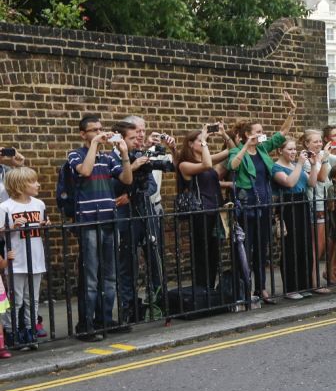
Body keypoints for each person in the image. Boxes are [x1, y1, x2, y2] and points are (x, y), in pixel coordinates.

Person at [67, 114, 133, 341]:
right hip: (88, 221)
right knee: (91, 277)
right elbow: (84, 172)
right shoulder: (75, 154)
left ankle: (104, 319)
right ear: (83, 134)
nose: (99, 133)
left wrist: (124, 154)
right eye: (93, 130)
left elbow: (127, 180)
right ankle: (86, 325)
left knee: (110, 275)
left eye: (100, 129)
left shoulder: (108, 158)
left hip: (109, 220)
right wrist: (94, 144)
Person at [227, 93, 297, 304]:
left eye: (261, 132)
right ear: (248, 134)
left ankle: (262, 288)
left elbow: (282, 133)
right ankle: (245, 289)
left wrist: (291, 110)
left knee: (261, 248)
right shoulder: (237, 151)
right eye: (257, 132)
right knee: (245, 249)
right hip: (246, 206)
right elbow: (233, 166)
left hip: (264, 204)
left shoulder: (263, 149)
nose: (261, 134)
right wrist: (245, 146)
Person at [113, 120, 176, 323]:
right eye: (132, 137)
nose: (137, 140)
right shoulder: (109, 158)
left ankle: (158, 303)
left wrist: (132, 196)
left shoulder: (142, 155)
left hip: (144, 212)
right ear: (120, 139)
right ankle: (128, 309)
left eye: (139, 135)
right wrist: (131, 166)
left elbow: (151, 186)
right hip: (124, 217)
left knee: (154, 259)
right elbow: (112, 184)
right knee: (127, 265)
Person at [177, 126, 233, 292]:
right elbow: (207, 164)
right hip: (200, 212)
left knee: (213, 253)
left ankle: (209, 288)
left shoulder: (205, 158)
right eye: (199, 141)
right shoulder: (184, 165)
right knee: (202, 253)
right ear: (190, 144)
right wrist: (204, 141)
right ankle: (202, 289)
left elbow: (232, 151)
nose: (202, 143)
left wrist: (223, 134)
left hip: (215, 210)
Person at [0, 167, 48, 349]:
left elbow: (40, 229)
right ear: (20, 186)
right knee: (15, 300)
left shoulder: (39, 204)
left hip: (36, 258)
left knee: (32, 299)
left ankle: (30, 332)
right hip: (16, 260)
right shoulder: (5, 207)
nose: (38, 184)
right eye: (33, 181)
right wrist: (11, 226)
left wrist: (45, 225)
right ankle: (10, 332)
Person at [273, 139, 317, 298]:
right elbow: (289, 183)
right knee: (291, 246)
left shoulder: (295, 166)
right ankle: (290, 288)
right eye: (290, 149)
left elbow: (312, 183)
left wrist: (313, 165)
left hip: (302, 203)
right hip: (288, 206)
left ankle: (304, 285)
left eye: (294, 149)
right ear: (280, 151)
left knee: (304, 244)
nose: (293, 152)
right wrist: (299, 164)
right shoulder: (276, 167)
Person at [300, 129, 333, 294]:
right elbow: (320, 178)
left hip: (323, 202)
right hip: (315, 204)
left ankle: (314, 280)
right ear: (306, 144)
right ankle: (314, 283)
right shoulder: (307, 159)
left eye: (320, 141)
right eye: (315, 142)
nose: (319, 144)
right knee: (316, 246)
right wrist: (325, 159)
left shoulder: (320, 156)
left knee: (321, 245)